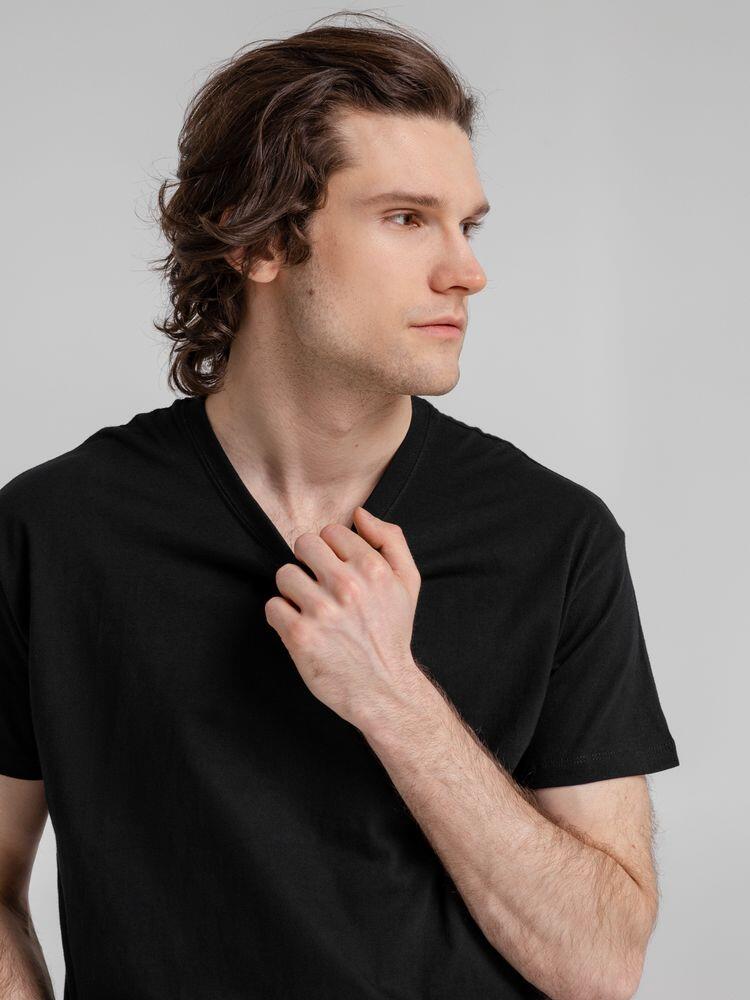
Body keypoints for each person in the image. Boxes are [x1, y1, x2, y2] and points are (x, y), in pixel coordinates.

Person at [0, 11, 679, 1000]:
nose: (467, 270)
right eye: (407, 218)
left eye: (468, 224)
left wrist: (392, 696)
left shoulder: (557, 540)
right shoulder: (54, 531)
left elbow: (602, 963)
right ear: (261, 240)